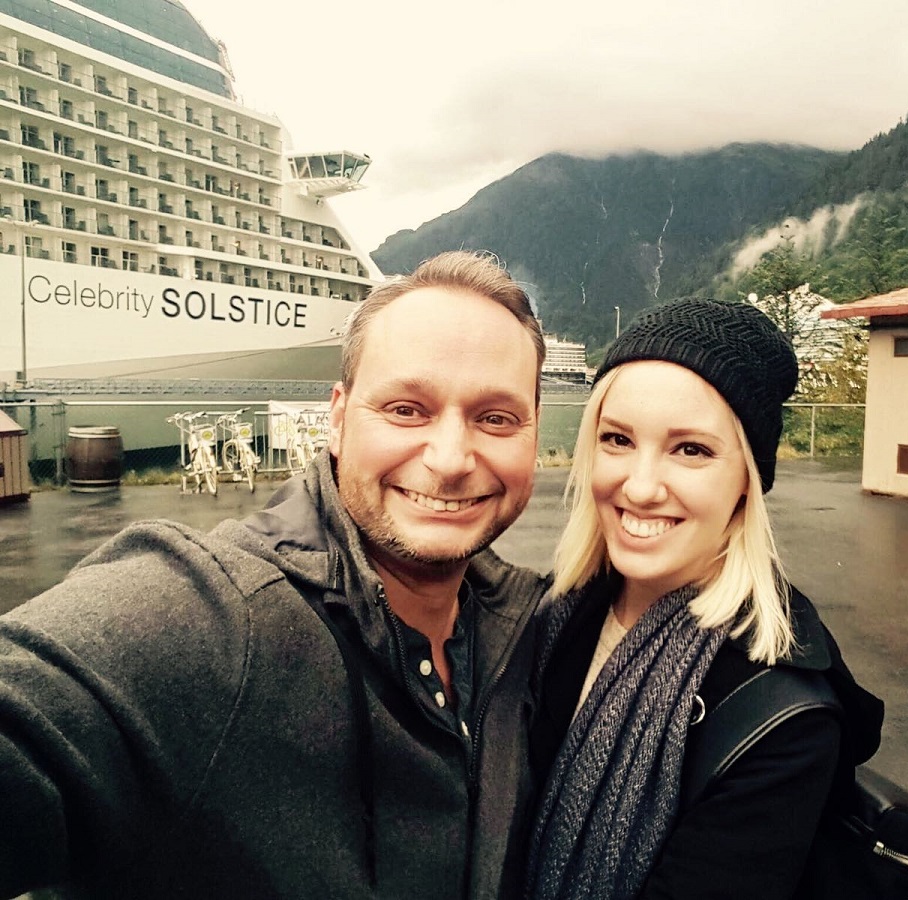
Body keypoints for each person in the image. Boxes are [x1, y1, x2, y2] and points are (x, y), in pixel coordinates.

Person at [0, 251, 550, 899]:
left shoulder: (532, 631)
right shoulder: (213, 616)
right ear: (339, 420)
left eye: (496, 418)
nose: (452, 459)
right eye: (406, 409)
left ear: (534, 436)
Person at [526, 298, 885, 900]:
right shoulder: (555, 615)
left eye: (690, 449)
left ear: (748, 476)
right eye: (617, 439)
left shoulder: (782, 720)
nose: (639, 486)